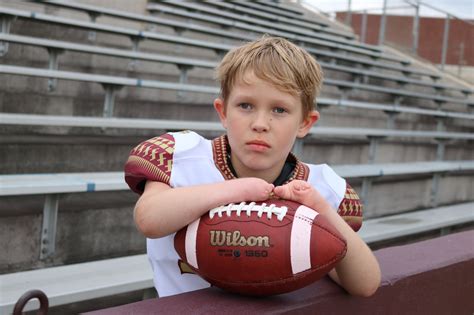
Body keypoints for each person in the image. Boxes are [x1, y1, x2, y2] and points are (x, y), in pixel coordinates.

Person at [124, 35, 381, 298]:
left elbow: (365, 284)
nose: (260, 123)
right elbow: (148, 219)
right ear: (223, 112)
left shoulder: (321, 187)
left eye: (279, 110)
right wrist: (238, 190)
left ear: (305, 122)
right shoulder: (183, 155)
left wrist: (322, 209)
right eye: (245, 105)